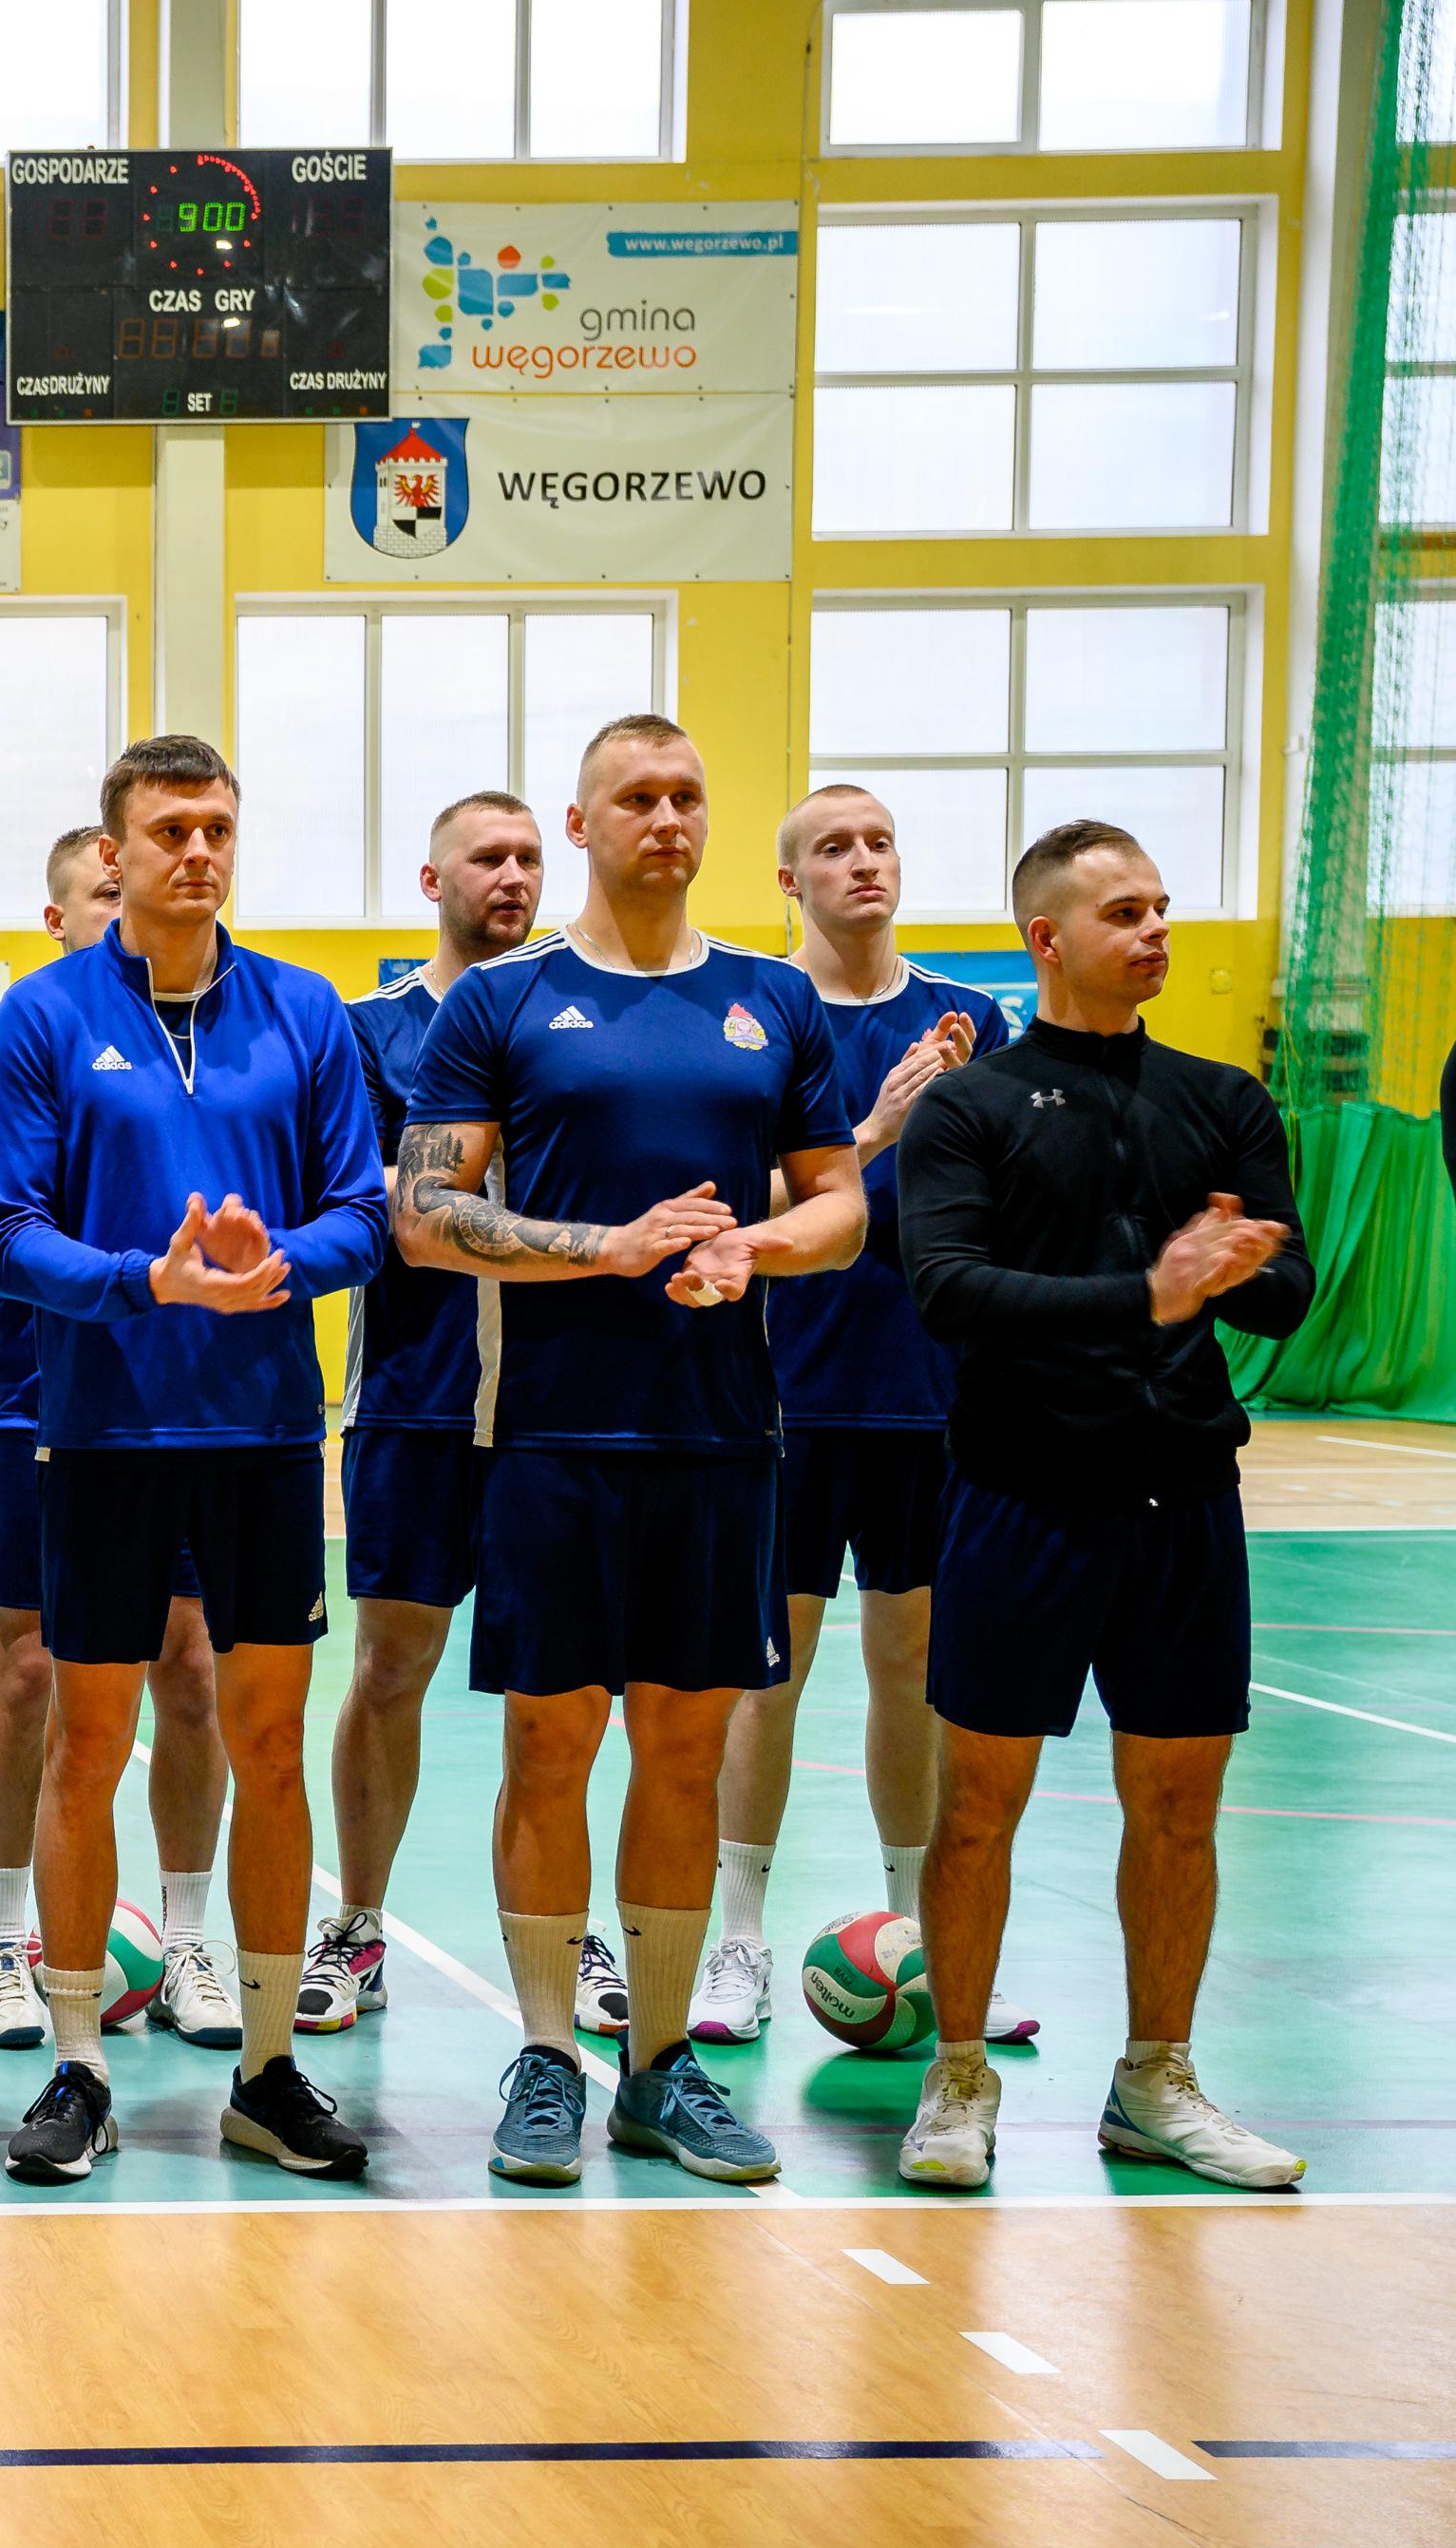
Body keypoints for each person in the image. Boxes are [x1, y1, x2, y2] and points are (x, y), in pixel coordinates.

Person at [391, 716, 862, 2188]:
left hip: (721, 1438)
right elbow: (424, 1214)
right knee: (549, 1746)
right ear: (583, 825)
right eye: (637, 798)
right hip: (548, 1436)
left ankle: (659, 2065)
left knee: (684, 1750)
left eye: (687, 795)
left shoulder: (773, 1000)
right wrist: (604, 1246)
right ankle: (548, 2052)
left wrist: (752, 1249)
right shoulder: (506, 1001)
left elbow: (840, 1202)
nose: (668, 817)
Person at [0, 738, 387, 2183]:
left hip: (265, 1437)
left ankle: (267, 2068)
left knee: (268, 1745)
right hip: (102, 1435)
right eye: (168, 830)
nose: (196, 851)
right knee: (85, 1747)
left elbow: (365, 1212)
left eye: (216, 826)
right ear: (116, 851)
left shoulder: (305, 1011)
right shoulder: (43, 1019)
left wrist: (280, 1263)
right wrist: (144, 1282)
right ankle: (80, 2065)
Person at [894, 822, 1310, 2191]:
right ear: (1047, 939)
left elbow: (1286, 1292)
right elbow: (950, 1290)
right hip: (1022, 1497)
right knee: (977, 1807)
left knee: (1180, 1806)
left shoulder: (1222, 1099)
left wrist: (1234, 1269)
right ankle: (960, 2077)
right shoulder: (971, 1107)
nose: (1155, 931)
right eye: (1124, 911)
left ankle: (1155, 2079)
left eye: (1162, 908)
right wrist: (1152, 1291)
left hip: (1183, 1499)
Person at [708, 786, 1022, 2044]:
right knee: (765, 1678)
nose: (862, 863)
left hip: (927, 1394)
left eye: (879, 842)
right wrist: (878, 1130)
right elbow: (742, 1199)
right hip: (781, 1393)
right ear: (791, 881)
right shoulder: (749, 1011)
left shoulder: (967, 1020)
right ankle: (735, 1940)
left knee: (916, 1672)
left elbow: (998, 1200)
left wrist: (955, 1130)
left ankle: (928, 1937)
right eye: (832, 848)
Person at [0, 823, 230, 2053]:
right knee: (29, 1673)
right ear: (57, 919)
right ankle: (5, 1940)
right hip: (45, 1405)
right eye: (101, 893)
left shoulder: (221, 1044)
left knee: (192, 1672)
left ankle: (189, 1936)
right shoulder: (2, 1053)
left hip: (199, 1409)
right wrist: (116, 1274)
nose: (125, 904)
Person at [306, 792, 539, 2034]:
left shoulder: (572, 1024)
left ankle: (564, 1935)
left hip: (556, 1407)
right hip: (413, 1396)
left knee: (557, 1694)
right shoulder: (369, 1031)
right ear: (431, 879)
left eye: (529, 858)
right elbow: (378, 1209)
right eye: (486, 857)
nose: (512, 877)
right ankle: (356, 1927)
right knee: (390, 1667)